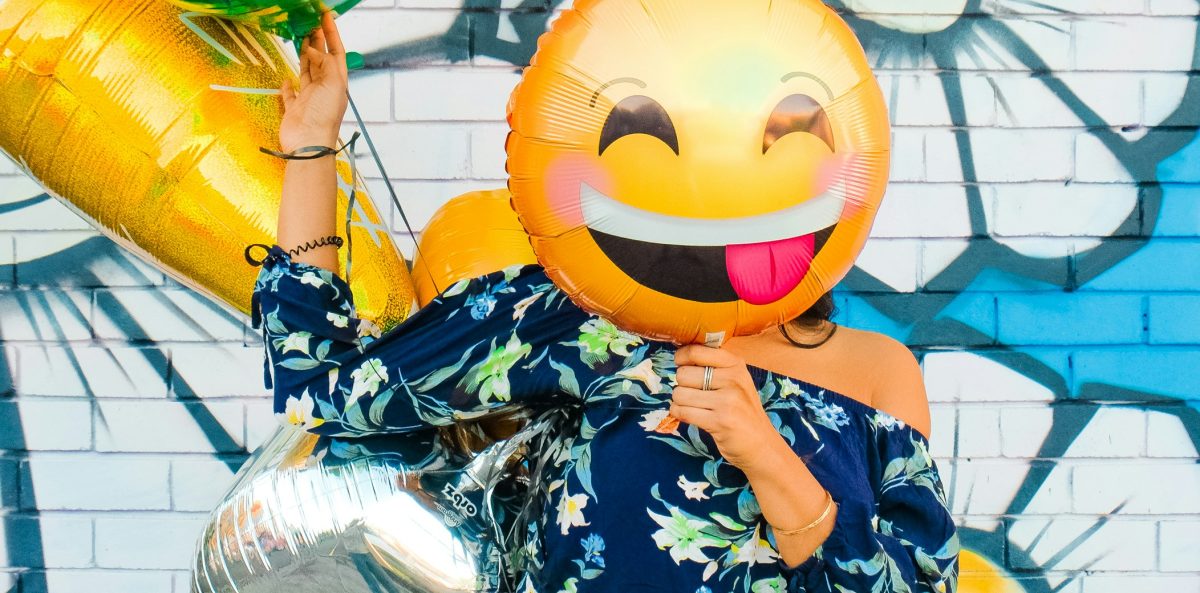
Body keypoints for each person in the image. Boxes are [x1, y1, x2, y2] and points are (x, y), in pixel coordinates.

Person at [252, 11, 959, 593]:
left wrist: (765, 453)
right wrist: (312, 146)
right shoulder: (572, 319)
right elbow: (328, 390)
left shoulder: (877, 374)